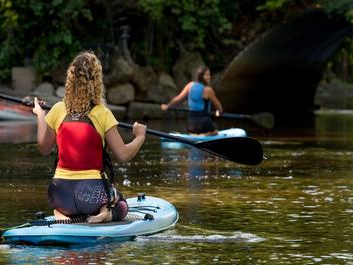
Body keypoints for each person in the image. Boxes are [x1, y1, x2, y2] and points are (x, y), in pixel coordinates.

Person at [32, 51, 146, 223]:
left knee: (62, 203)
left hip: (61, 194)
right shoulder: (102, 113)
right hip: (92, 196)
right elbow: (122, 155)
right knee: (122, 205)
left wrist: (40, 115)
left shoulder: (57, 109)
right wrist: (140, 137)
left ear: (70, 81)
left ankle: (62, 215)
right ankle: (105, 214)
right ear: (96, 82)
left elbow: (44, 147)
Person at [161, 66, 223, 135]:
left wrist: (167, 106)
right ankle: (204, 135)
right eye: (207, 75)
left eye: (209, 75)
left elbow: (177, 99)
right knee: (216, 130)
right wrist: (218, 112)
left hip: (190, 125)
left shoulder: (190, 85)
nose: (209, 77)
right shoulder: (208, 90)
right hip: (204, 124)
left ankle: (196, 135)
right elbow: (219, 107)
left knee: (195, 129)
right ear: (201, 76)